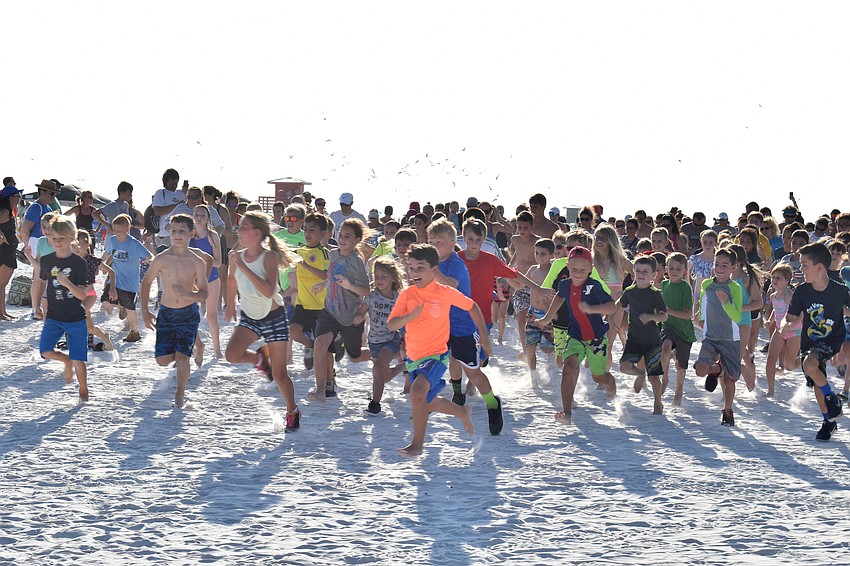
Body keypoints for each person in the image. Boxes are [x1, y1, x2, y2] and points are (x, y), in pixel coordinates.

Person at [387, 243, 484, 457]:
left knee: (417, 393)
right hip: (413, 357)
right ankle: (461, 411)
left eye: (420, 268)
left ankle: (417, 445)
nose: (414, 273)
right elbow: (392, 324)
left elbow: (472, 306)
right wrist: (408, 318)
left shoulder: (444, 292)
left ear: (434, 270)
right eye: (411, 268)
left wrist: (484, 338)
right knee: (427, 401)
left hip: (437, 355)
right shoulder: (407, 295)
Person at [223, 211, 300, 430]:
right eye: (239, 226)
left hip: (273, 316)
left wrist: (244, 267)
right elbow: (230, 280)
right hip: (250, 315)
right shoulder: (235, 255)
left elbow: (267, 291)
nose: (239, 230)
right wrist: (229, 304)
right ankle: (258, 360)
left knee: (280, 374)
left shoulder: (269, 257)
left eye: (244, 227)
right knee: (232, 355)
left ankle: (292, 411)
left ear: (257, 234)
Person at [428, 219, 504, 435]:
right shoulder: (434, 262)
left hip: (462, 325)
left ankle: (492, 403)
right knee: (446, 360)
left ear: (452, 243)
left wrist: (430, 270)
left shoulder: (455, 264)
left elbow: (449, 285)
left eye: (439, 242)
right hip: (441, 324)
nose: (434, 246)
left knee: (473, 371)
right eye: (431, 242)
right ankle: (456, 394)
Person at [535, 246, 617, 424]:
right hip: (575, 336)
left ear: (590, 268)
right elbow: (559, 297)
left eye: (582, 269)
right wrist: (546, 318)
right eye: (574, 269)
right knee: (569, 367)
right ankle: (566, 413)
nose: (578, 273)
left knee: (599, 377)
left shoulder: (594, 287)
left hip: (596, 339)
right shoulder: (565, 284)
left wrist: (593, 309)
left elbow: (612, 307)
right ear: (568, 266)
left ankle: (610, 382)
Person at [784, 242, 850, 441]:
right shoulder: (802, 291)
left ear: (819, 268)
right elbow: (791, 317)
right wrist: (790, 322)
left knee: (809, 364)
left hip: (832, 338)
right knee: (816, 375)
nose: (801, 269)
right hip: (810, 340)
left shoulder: (839, 290)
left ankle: (832, 399)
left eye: (805, 265)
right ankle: (828, 421)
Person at [141, 214, 208, 408]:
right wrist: (145, 311)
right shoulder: (162, 259)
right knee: (162, 361)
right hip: (167, 313)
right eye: (174, 231)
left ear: (191, 234)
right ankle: (197, 344)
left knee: (181, 359)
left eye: (182, 231)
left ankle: (180, 392)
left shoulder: (197, 262)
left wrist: (188, 293)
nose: (177, 235)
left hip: (188, 313)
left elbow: (204, 294)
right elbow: (146, 284)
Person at [311, 218, 372, 401]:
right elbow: (334, 275)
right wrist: (324, 284)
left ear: (357, 240)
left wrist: (350, 287)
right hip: (329, 310)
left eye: (347, 236)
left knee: (355, 357)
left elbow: (366, 291)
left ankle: (385, 353)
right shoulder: (333, 254)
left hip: (350, 316)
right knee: (320, 344)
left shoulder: (356, 261)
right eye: (340, 234)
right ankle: (321, 390)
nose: (342, 239)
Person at [39, 216, 92, 402]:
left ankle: (83, 390)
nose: (58, 242)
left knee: (79, 359)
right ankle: (65, 361)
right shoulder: (46, 261)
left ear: (72, 238)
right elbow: (43, 284)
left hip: (76, 318)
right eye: (54, 238)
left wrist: (66, 282)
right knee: (45, 351)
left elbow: (82, 295)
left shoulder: (79, 264)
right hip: (54, 315)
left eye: (62, 238)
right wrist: (39, 306)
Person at [693, 247, 743, 426]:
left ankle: (728, 410)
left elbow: (737, 316)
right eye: (716, 264)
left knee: (730, 380)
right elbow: (703, 304)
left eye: (724, 265)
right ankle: (716, 371)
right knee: (700, 369)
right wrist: (700, 318)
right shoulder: (707, 284)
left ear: (733, 267)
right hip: (711, 337)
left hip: (730, 339)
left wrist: (725, 302)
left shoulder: (734, 287)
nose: (720, 268)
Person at [618, 255, 668, 414]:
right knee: (624, 366)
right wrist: (616, 320)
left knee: (654, 377)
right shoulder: (629, 292)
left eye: (645, 271)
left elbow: (664, 316)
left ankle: (658, 403)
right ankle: (640, 373)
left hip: (652, 340)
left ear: (654, 275)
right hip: (634, 338)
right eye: (638, 271)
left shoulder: (655, 294)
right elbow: (621, 306)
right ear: (633, 273)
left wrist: (651, 317)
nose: (641, 274)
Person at [365, 257, 406, 414]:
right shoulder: (371, 295)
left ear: (393, 278)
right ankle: (404, 365)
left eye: (383, 276)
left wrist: (403, 340)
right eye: (376, 276)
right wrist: (359, 316)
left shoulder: (398, 298)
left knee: (377, 369)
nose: (379, 280)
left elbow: (403, 320)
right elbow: (363, 309)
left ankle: (375, 404)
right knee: (384, 376)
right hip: (374, 341)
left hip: (390, 339)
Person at [290, 213, 330, 371]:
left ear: (323, 233)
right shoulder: (298, 251)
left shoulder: (324, 253)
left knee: (325, 349)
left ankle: (328, 375)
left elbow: (327, 276)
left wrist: (304, 265)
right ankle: (309, 346)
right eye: (305, 229)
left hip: (321, 306)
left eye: (312, 230)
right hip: (303, 303)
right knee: (293, 331)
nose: (307, 233)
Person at [103, 214, 152, 342]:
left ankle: (135, 332)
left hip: (131, 284)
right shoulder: (113, 240)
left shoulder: (134, 244)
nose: (116, 232)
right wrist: (99, 265)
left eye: (119, 230)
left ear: (127, 229)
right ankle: (121, 306)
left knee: (131, 310)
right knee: (105, 303)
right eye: (114, 229)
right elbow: (107, 254)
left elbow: (148, 257)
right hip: (115, 279)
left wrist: (153, 264)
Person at [21, 180, 61, 318]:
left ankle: (37, 308)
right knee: (38, 278)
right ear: (42, 192)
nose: (53, 196)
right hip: (38, 242)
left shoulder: (47, 208)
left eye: (54, 193)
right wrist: (27, 246)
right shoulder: (36, 207)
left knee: (41, 278)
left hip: (44, 243)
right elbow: (25, 229)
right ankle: (35, 309)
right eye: (51, 193)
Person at [659, 252, 695, 406]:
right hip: (668, 326)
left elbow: (688, 315)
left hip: (684, 332)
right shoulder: (663, 285)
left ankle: (678, 391)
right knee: (665, 348)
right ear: (666, 268)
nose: (674, 271)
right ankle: (665, 377)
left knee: (681, 366)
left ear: (685, 271)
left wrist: (668, 310)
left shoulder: (685, 288)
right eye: (671, 267)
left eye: (678, 269)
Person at [189, 205, 224, 359]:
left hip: (211, 278)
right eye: (196, 214)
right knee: (189, 315)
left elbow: (218, 262)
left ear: (208, 218)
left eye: (202, 215)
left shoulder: (212, 235)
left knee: (211, 316)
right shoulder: (188, 234)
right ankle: (194, 346)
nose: (199, 217)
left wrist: (203, 258)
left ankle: (217, 349)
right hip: (191, 279)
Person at [73, 229, 115, 352]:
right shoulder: (71, 260)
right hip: (75, 296)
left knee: (77, 313)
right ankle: (105, 338)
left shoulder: (93, 260)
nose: (76, 248)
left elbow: (111, 273)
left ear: (87, 244)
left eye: (79, 244)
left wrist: (112, 289)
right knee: (89, 326)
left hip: (89, 295)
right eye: (74, 245)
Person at [764, 264, 801, 396]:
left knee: (790, 366)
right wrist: (770, 321)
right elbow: (776, 310)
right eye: (773, 277)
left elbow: (799, 313)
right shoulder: (773, 296)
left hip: (794, 331)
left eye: (778, 278)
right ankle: (770, 390)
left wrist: (790, 326)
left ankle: (805, 359)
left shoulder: (789, 295)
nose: (774, 280)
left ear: (787, 281)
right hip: (779, 331)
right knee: (770, 359)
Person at [0, 184, 22, 320]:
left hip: (7, 250)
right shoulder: (5, 211)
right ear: (10, 197)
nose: (19, 198)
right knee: (1, 284)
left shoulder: (9, 210)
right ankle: (1, 313)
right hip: (5, 251)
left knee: (2, 284)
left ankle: (2, 311)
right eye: (17, 195)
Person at [151, 169, 186, 250]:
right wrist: (177, 205)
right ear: (166, 180)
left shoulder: (181, 194)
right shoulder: (160, 193)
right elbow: (157, 211)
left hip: (180, 234)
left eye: (177, 179)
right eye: (173, 179)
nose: (175, 181)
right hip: (165, 234)